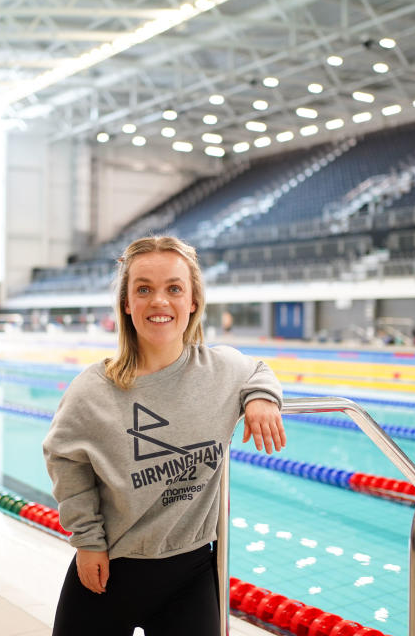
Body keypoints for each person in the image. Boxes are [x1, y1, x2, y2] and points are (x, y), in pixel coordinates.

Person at [42, 236, 286, 636]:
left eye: (174, 288)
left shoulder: (221, 369)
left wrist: (261, 397)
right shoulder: (93, 389)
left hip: (189, 573)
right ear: (126, 303)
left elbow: (258, 368)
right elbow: (64, 460)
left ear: (193, 301)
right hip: (109, 568)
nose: (159, 301)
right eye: (144, 289)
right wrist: (87, 540)